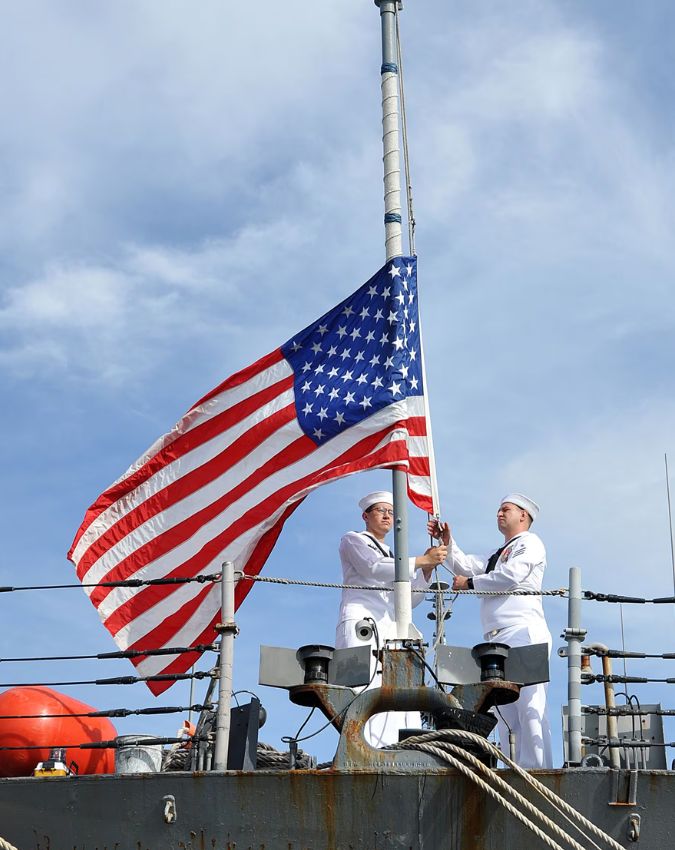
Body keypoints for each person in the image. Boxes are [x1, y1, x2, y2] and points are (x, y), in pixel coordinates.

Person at [428, 493, 553, 769]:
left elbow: (510, 576)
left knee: (531, 708)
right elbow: (463, 565)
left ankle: (538, 769)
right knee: (506, 713)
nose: (499, 513)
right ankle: (515, 769)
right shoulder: (497, 554)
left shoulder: (529, 543)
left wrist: (470, 584)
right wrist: (446, 542)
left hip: (523, 632)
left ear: (523, 515)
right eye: (498, 509)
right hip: (497, 640)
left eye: (505, 509)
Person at [335, 490, 448, 747]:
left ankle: (392, 749)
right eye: (381, 510)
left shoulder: (392, 556)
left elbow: (406, 601)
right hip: (361, 625)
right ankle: (366, 748)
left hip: (388, 631)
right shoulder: (353, 540)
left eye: (391, 511)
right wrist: (421, 560)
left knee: (393, 696)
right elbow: (372, 568)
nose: (387, 516)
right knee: (365, 692)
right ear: (365, 515)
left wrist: (427, 568)